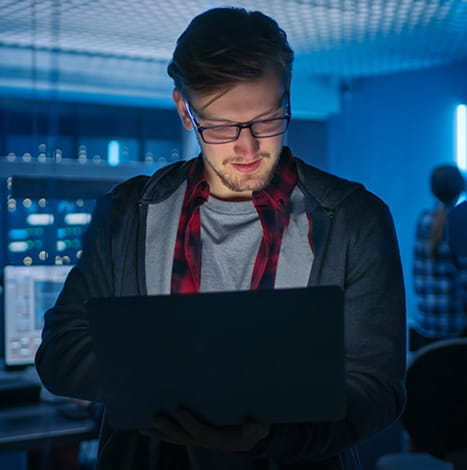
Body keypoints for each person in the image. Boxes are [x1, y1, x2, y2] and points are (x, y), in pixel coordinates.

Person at [35, 7, 406, 470]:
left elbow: (378, 387)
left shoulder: (355, 220)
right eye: (221, 127)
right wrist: (188, 384)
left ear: (287, 98)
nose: (247, 149)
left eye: (268, 120)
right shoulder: (125, 214)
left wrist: (272, 435)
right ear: (184, 111)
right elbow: (60, 351)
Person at [411, 164, 467, 352]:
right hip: (454, 327)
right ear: (460, 187)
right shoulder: (459, 222)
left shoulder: (423, 220)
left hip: (425, 323)